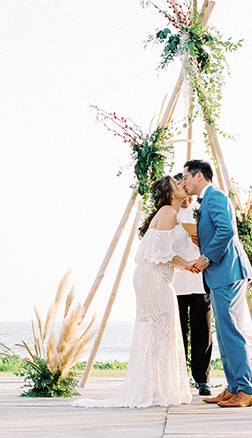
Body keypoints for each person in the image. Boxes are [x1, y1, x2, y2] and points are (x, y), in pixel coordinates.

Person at [73, 175, 195, 408]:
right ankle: (154, 389)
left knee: (160, 332)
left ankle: (156, 387)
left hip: (156, 276)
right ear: (170, 194)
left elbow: (164, 253)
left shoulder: (172, 213)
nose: (181, 183)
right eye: (176, 183)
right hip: (153, 278)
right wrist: (188, 264)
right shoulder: (168, 212)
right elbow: (162, 251)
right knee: (159, 332)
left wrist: (186, 264)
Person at [182, 159, 252, 408]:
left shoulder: (214, 196)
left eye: (186, 177)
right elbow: (217, 230)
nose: (184, 182)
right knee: (224, 335)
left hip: (227, 273)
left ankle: (246, 389)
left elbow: (226, 232)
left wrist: (205, 258)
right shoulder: (209, 200)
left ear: (199, 176)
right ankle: (234, 386)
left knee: (232, 332)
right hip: (219, 275)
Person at [171, 173, 213, 397]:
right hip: (176, 280)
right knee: (178, 332)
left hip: (199, 279)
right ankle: (179, 377)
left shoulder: (202, 208)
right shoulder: (171, 212)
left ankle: (202, 379)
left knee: (203, 333)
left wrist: (202, 239)